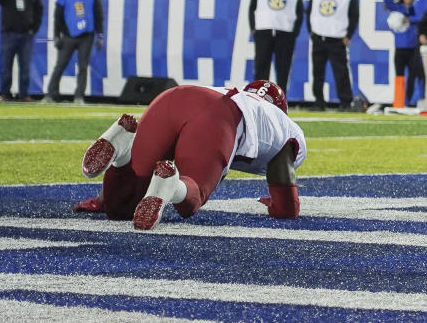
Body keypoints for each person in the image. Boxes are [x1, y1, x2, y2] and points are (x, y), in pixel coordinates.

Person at [79, 80, 305, 230]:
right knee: (191, 196)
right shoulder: (282, 124)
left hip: (173, 97)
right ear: (281, 109)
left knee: (119, 207)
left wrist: (102, 200)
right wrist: (282, 206)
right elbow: (285, 193)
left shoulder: (231, 92)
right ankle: (171, 185)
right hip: (217, 114)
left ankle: (121, 154)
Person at [43, 0, 105, 104]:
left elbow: (99, 15)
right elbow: (57, 17)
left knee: (83, 67)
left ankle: (78, 96)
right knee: (60, 65)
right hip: (68, 36)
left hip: (86, 37)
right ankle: (50, 95)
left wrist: (100, 35)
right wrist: (56, 35)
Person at [307, 0, 359, 110]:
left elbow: (354, 16)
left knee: (341, 72)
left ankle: (345, 102)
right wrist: (311, 30)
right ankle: (318, 102)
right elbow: (310, 11)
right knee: (317, 73)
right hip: (319, 37)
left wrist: (348, 35)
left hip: (337, 39)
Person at [249, 0, 305, 89]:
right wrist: (254, 28)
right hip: (264, 31)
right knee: (261, 66)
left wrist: (294, 33)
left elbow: (300, 12)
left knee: (283, 68)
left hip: (285, 33)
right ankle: (258, 97)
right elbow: (252, 8)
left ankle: (281, 99)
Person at [0, 0, 43, 102]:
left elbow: (39, 10)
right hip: (8, 34)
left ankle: (24, 94)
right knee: (5, 67)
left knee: (25, 67)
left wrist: (34, 28)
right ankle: (4, 94)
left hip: (26, 35)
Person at [378, 0, 424, 107]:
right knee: (399, 77)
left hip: (413, 50)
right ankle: (399, 102)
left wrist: (409, 20)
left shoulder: (416, 9)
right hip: (400, 49)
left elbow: (421, 18)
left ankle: (408, 102)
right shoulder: (397, 8)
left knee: (413, 77)